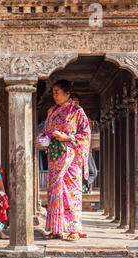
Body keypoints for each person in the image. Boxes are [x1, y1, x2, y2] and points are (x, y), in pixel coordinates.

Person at [34, 80, 91, 241]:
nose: (54, 95)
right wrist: (42, 139)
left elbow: (85, 134)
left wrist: (67, 137)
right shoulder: (51, 111)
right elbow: (46, 131)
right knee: (54, 192)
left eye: (57, 92)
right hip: (54, 157)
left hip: (71, 159)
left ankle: (73, 229)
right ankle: (55, 229)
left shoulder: (77, 111)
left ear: (67, 93)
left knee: (70, 193)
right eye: (53, 92)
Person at [70, 93, 98, 194]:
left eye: (77, 102)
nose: (75, 104)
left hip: (84, 149)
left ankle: (85, 187)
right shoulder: (69, 116)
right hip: (73, 148)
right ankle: (81, 188)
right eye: (73, 102)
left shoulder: (81, 115)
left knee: (93, 171)